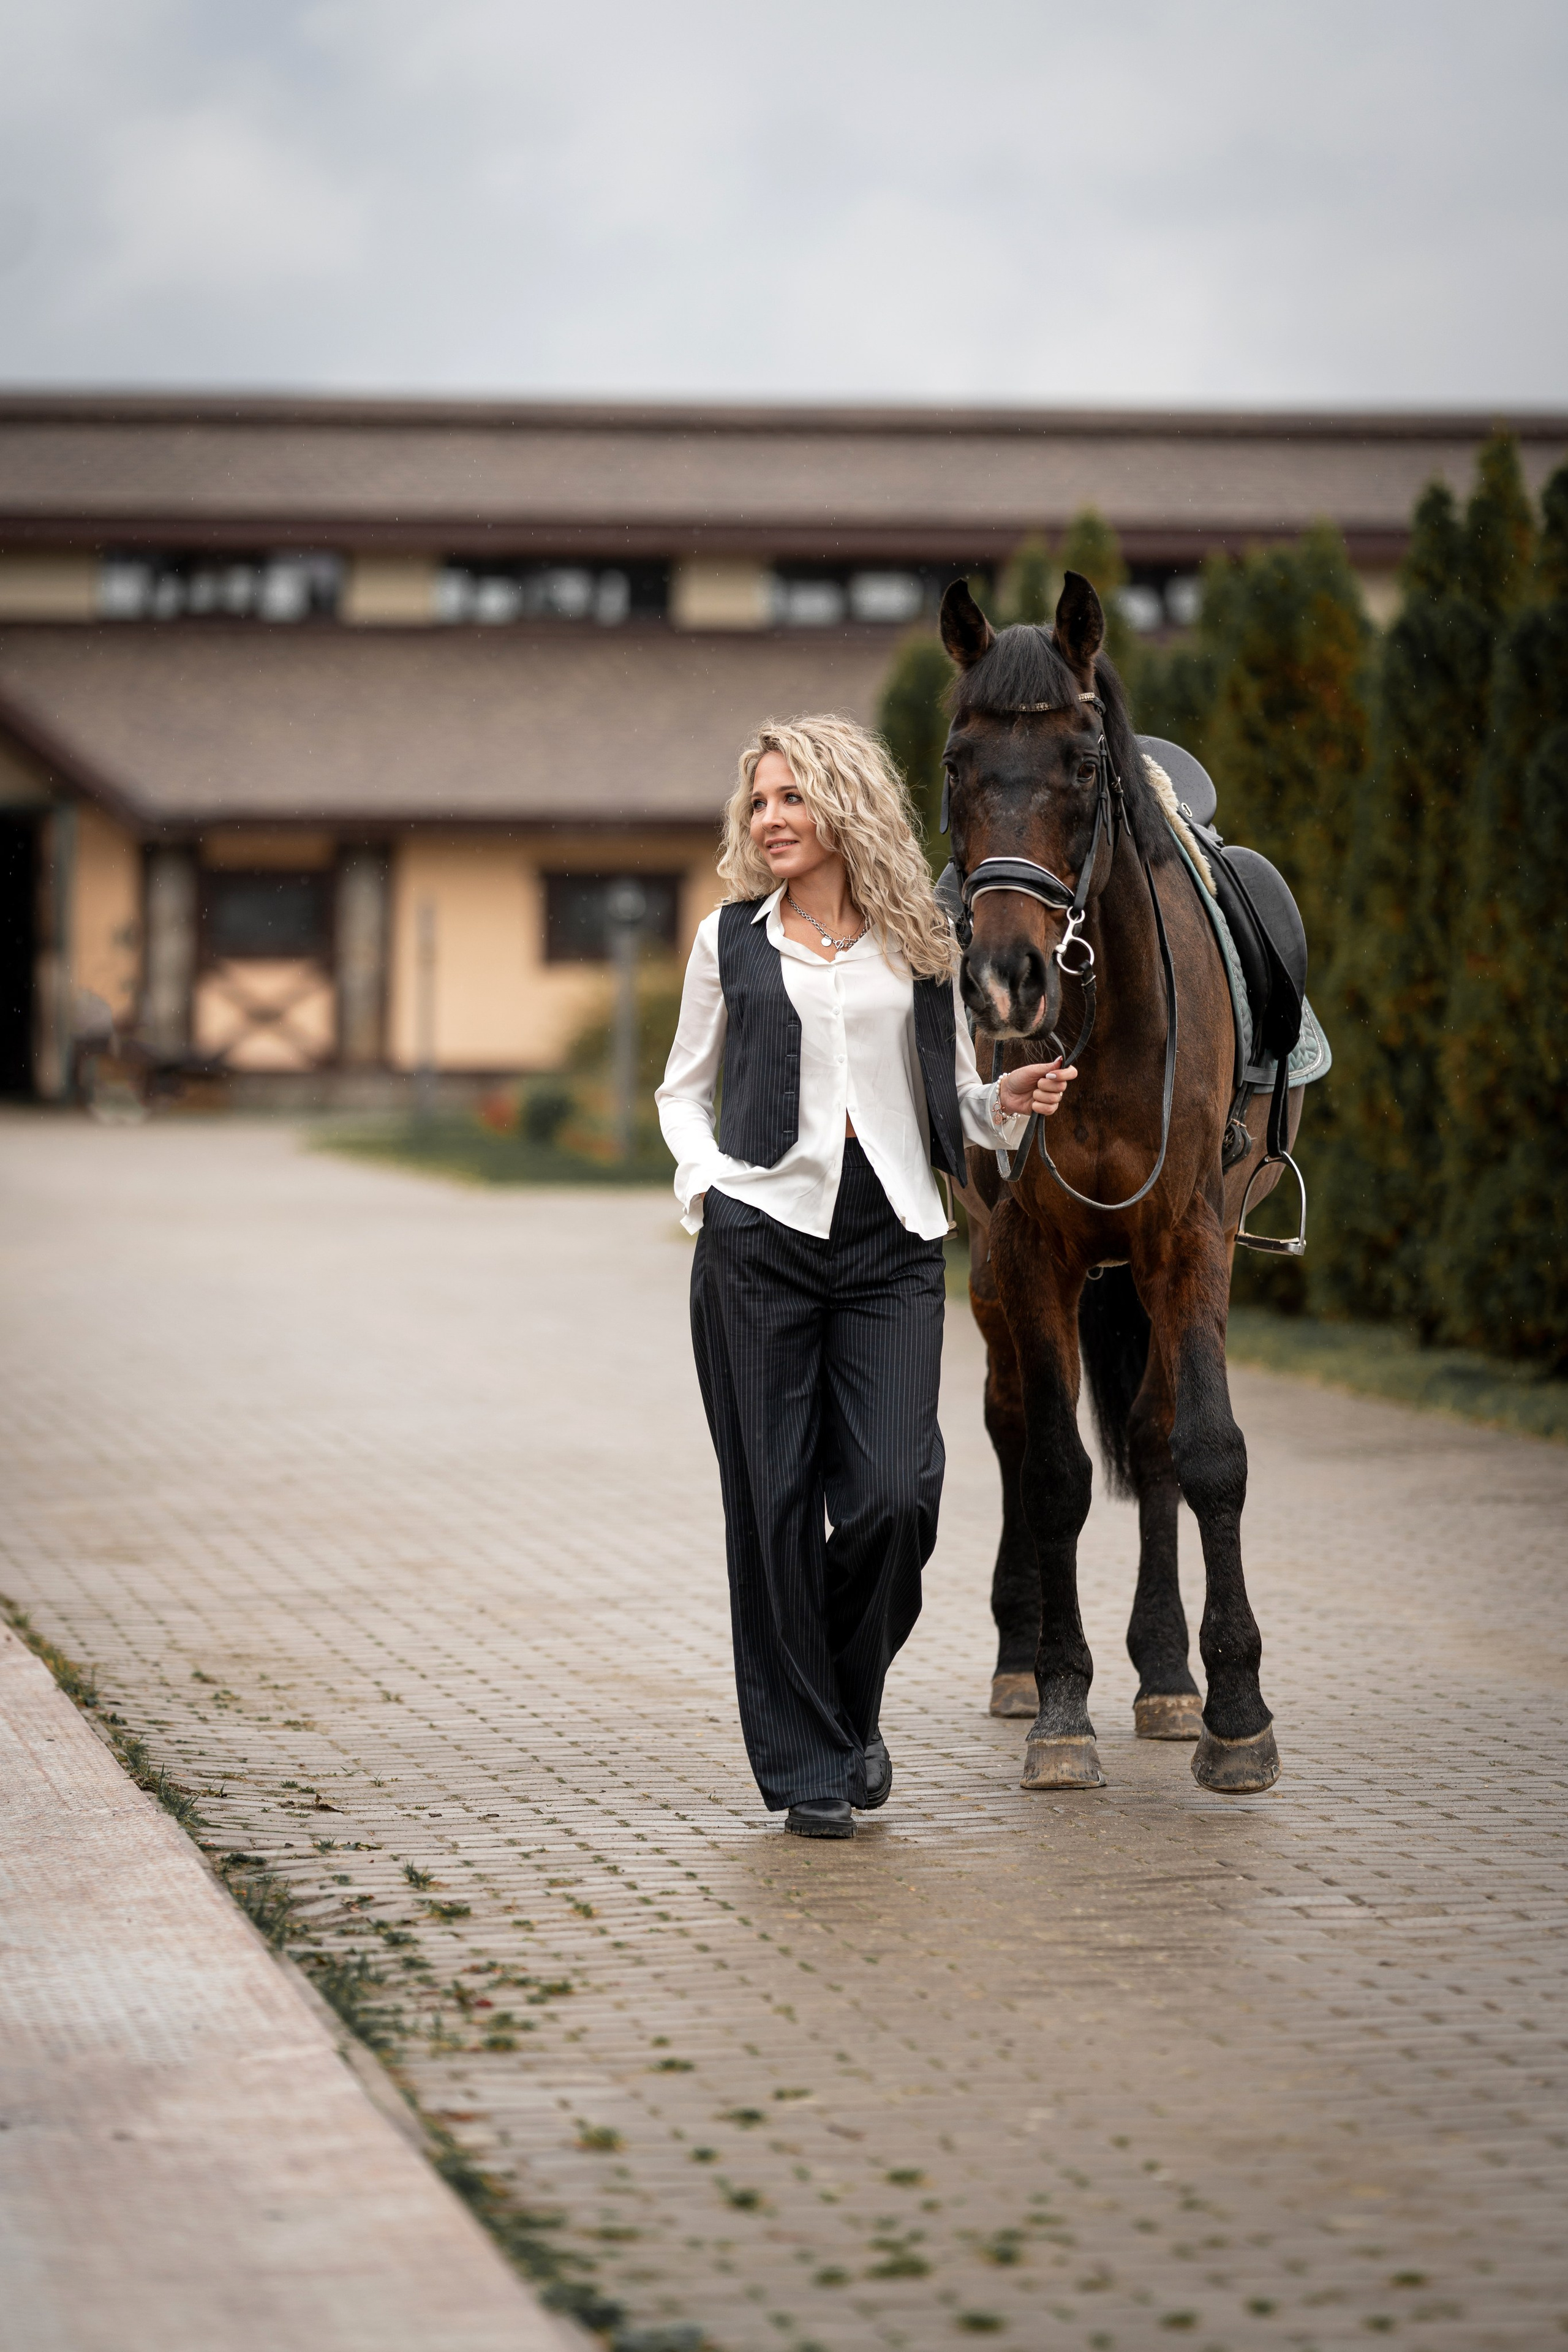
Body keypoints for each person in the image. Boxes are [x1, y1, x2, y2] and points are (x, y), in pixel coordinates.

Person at [657, 715, 1075, 1839]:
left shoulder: (919, 945)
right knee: (777, 1509)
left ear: (844, 805)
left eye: (791, 797)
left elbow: (944, 1098)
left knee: (897, 1498)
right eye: (758, 803)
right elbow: (679, 1093)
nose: (770, 820)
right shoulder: (728, 942)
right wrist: (711, 1189)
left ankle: (839, 1708)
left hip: (890, 1240)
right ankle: (811, 1769)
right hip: (760, 1248)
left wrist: (1006, 1105)